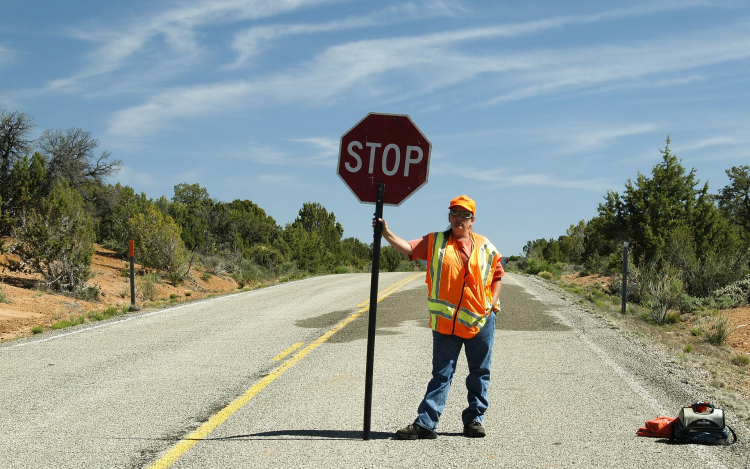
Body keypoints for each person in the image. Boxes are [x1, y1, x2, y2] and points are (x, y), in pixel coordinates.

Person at [374, 195, 504, 440]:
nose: (459, 218)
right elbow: (410, 248)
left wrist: (492, 305)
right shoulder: (435, 242)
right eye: (455, 213)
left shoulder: (485, 245)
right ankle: (426, 423)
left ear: (472, 220)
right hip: (446, 323)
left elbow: (497, 275)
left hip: (481, 320)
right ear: (449, 216)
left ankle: (475, 420)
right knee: (442, 373)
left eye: (465, 214)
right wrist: (386, 234)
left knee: (480, 371)